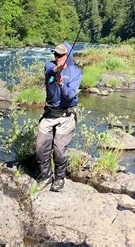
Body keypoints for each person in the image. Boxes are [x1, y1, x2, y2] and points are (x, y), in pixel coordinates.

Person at [36, 42, 82, 192]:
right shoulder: (49, 65)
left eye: (61, 55)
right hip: (49, 114)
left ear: (68, 55)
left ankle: (60, 177)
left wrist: (61, 84)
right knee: (41, 148)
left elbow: (69, 96)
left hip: (66, 115)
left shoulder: (76, 72)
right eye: (55, 54)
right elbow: (51, 70)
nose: (57, 57)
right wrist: (57, 70)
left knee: (59, 150)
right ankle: (46, 176)